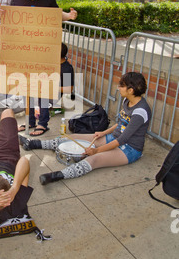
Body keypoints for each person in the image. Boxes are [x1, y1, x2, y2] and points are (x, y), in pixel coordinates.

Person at [19, 72, 152, 184]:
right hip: (114, 138)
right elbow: (122, 123)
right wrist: (103, 133)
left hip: (129, 149)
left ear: (131, 90)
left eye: (121, 86)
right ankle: (32, 144)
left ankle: (57, 176)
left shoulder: (140, 112)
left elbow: (123, 139)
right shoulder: (127, 101)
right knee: (72, 137)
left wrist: (97, 150)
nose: (118, 88)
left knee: (93, 159)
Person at [12, 0, 78, 136]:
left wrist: (69, 16)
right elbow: (11, 17)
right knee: (28, 86)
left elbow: (55, 15)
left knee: (42, 86)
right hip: (25, 49)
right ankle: (29, 121)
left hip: (45, 48)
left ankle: (43, 122)